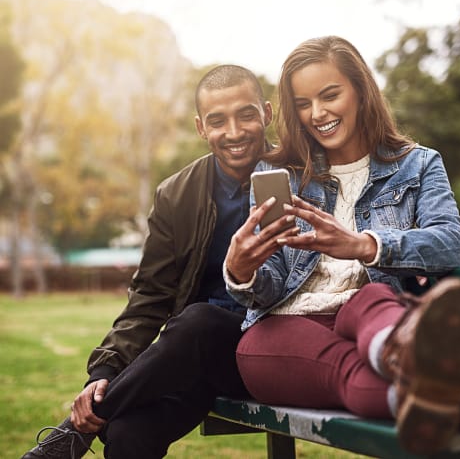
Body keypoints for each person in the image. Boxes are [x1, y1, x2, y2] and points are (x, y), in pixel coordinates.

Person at [223, 36, 460, 455]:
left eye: (330, 94)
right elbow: (271, 286)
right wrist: (243, 272)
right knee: (270, 347)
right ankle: (448, 386)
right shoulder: (277, 172)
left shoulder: (418, 163)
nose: (318, 114)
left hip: (375, 315)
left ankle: (403, 361)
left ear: (360, 90)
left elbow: (452, 243)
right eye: (303, 103)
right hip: (288, 330)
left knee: (370, 295)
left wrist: (366, 245)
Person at [22, 64, 292, 459]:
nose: (234, 132)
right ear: (201, 128)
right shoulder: (176, 195)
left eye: (246, 115)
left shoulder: (303, 176)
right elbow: (150, 296)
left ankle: (70, 438)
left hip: (274, 354)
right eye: (218, 121)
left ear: (266, 114)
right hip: (195, 361)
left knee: (197, 321)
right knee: (129, 433)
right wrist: (104, 371)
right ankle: (96, 416)